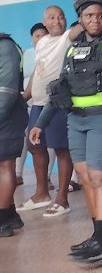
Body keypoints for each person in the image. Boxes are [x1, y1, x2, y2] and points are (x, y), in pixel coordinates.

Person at [30, 0, 102, 268]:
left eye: (100, 15)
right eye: (89, 15)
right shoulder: (72, 48)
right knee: (84, 176)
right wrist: (40, 124)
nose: (95, 20)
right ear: (80, 18)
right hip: (76, 121)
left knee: (99, 178)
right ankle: (100, 236)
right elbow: (60, 90)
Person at [21, 6, 83, 218]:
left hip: (57, 104)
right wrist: (25, 95)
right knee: (34, 146)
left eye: (61, 17)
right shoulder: (42, 42)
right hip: (38, 104)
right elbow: (37, 73)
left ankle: (62, 200)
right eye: (52, 17)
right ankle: (41, 194)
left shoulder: (67, 38)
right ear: (44, 22)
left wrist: (84, 13)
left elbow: (77, 29)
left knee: (62, 150)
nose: (57, 21)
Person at [0, 32, 28, 237]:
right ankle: (10, 215)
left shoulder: (5, 47)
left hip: (6, 115)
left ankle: (2, 220)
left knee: (5, 165)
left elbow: (7, 89)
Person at [15, 22, 47, 187]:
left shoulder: (52, 53)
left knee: (46, 142)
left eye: (43, 35)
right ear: (32, 39)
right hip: (25, 103)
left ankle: (46, 177)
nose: (40, 39)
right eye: (37, 36)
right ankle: (17, 174)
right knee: (25, 139)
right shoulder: (27, 55)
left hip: (45, 104)